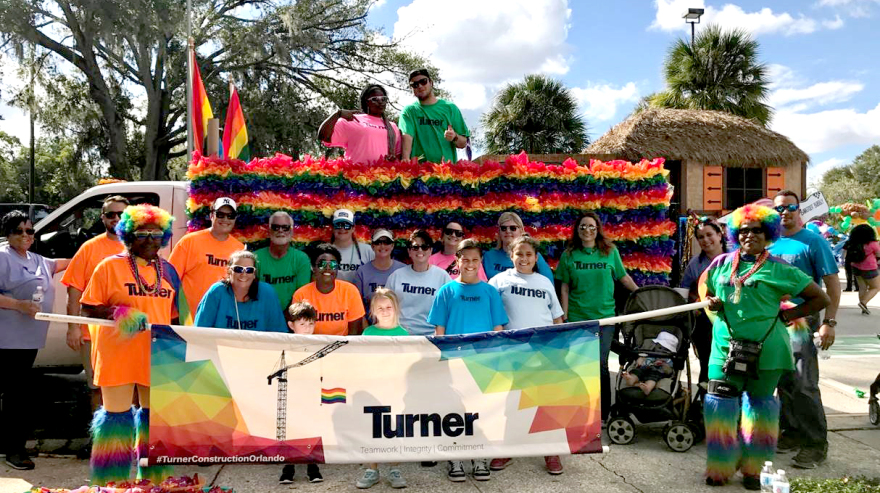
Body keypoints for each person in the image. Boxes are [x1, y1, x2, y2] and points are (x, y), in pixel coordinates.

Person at [700, 204, 829, 490]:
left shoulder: (780, 268)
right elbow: (706, 289)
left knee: (760, 410)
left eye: (757, 230)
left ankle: (753, 470)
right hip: (724, 349)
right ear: (735, 233)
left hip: (767, 351)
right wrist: (713, 306)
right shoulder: (721, 262)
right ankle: (720, 467)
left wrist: (789, 315)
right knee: (720, 409)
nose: (749, 235)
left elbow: (820, 298)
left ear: (768, 233)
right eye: (743, 230)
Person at [80, 204, 183, 486]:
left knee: (155, 420)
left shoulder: (169, 270)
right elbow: (86, 310)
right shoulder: (109, 266)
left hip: (156, 355)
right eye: (141, 233)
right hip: (117, 355)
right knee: (116, 418)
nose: (150, 239)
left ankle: (152, 480)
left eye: (155, 233)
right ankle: (110, 482)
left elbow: (174, 318)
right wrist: (119, 313)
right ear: (127, 235)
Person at [768, 191, 840, 469]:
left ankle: (815, 445)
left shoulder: (813, 241)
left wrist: (828, 322)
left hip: (803, 320)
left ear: (799, 209)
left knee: (804, 383)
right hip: (774, 322)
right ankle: (793, 432)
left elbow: (832, 284)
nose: (784, 212)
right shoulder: (770, 242)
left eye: (790, 207)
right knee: (784, 381)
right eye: (779, 208)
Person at [428, 239, 508, 483]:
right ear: (457, 261)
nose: (470, 264)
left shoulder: (490, 292)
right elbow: (439, 331)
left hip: (483, 363)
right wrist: (441, 363)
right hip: (454, 363)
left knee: (481, 411)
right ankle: (455, 458)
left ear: (480, 261)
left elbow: (497, 330)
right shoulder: (446, 291)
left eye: (475, 260)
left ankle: (480, 457)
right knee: (455, 411)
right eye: (466, 259)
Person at [487, 236, 564, 475]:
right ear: (511, 256)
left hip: (541, 351)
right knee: (511, 403)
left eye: (529, 254)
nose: (524, 259)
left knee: (545, 403)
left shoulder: (544, 282)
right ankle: (506, 450)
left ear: (536, 257)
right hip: (510, 351)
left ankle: (552, 452)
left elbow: (557, 318)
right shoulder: (498, 281)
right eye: (519, 254)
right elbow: (490, 314)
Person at [0, 210, 69, 470]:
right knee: (17, 395)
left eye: (30, 231)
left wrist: (95, 256)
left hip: (29, 339)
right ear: (8, 234)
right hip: (6, 339)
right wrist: (18, 304)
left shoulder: (38, 259)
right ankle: (15, 451)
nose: (26, 236)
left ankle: (7, 445)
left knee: (16, 393)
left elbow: (62, 263)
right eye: (19, 231)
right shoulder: (2, 257)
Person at [556, 211, 638, 423]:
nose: (587, 230)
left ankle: (602, 414)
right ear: (577, 230)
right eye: (583, 226)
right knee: (578, 365)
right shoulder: (569, 255)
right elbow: (564, 287)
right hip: (577, 318)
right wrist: (564, 316)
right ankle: (578, 410)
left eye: (591, 226)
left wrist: (641, 293)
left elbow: (623, 277)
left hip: (605, 319)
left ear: (597, 229)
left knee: (600, 364)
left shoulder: (610, 252)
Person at [61, 195, 129, 415]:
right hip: (94, 333)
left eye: (122, 214)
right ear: (102, 218)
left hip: (129, 333)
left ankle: (127, 444)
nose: (116, 218)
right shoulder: (89, 248)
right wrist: (72, 327)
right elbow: (74, 290)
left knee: (132, 389)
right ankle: (97, 444)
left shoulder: (140, 248)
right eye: (111, 214)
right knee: (97, 389)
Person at [356, 288, 408, 489]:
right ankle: (372, 469)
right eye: (380, 308)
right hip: (373, 390)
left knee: (394, 429)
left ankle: (394, 468)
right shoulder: (368, 333)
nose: (385, 311)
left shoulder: (404, 335)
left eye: (389, 307)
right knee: (372, 429)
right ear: (373, 311)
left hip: (396, 391)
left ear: (396, 308)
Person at [169, 197, 244, 315]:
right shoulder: (189, 242)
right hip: (188, 320)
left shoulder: (239, 249)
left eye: (230, 215)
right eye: (220, 214)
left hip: (223, 319)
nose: (225, 219)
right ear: (211, 215)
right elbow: (169, 279)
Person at [680, 217, 727, 385]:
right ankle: (704, 400)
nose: (706, 240)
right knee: (708, 362)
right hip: (704, 322)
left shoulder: (737, 258)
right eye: (701, 237)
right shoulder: (695, 264)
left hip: (735, 320)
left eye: (709, 234)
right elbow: (683, 291)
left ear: (720, 235)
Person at [194, 251, 287, 332]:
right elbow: (200, 330)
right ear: (229, 271)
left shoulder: (267, 293)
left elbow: (278, 333)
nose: (243, 274)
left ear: (254, 274)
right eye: (238, 269)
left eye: (249, 270)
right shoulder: (216, 291)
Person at [279, 301, 320, 485]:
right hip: (291, 394)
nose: (307, 328)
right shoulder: (284, 346)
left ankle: (313, 466)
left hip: (311, 394)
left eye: (311, 323)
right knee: (289, 430)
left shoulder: (320, 344)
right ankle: (289, 467)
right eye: (302, 324)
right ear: (291, 325)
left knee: (312, 429)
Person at [386, 230, 452, 336]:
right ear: (409, 251)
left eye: (424, 247)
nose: (420, 250)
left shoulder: (442, 277)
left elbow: (450, 310)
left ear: (430, 250)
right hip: (400, 335)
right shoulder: (396, 276)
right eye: (415, 247)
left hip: (431, 336)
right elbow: (386, 307)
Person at [292, 243, 365, 336]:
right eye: (322, 264)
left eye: (333, 264)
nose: (327, 268)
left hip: (342, 347)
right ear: (314, 268)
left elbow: (354, 333)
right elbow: (299, 332)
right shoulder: (301, 295)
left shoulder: (350, 291)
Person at [318, 84, 402, 164]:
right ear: (366, 102)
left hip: (385, 177)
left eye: (383, 99)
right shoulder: (352, 119)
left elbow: (398, 156)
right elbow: (323, 136)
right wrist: (337, 114)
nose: (380, 102)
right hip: (355, 176)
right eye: (375, 99)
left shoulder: (393, 127)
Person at [399, 68, 469, 163]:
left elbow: (463, 143)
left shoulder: (450, 108)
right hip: (419, 173)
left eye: (423, 81)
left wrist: (454, 137)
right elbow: (407, 135)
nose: (419, 86)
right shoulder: (409, 111)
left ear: (431, 83)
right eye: (414, 84)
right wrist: (405, 158)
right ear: (412, 89)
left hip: (447, 173)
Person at [253, 212, 311, 312]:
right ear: (269, 231)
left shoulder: (301, 259)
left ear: (291, 232)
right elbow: (251, 292)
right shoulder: (256, 258)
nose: (280, 231)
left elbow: (302, 294)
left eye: (285, 227)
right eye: (276, 227)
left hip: (291, 316)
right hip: (261, 313)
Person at [352, 229, 405, 323]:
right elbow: (357, 305)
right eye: (378, 242)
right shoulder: (362, 272)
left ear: (392, 245)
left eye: (386, 242)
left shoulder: (403, 270)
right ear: (372, 246)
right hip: (371, 326)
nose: (382, 246)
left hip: (398, 325)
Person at [483, 212, 553, 282]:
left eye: (513, 228)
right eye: (503, 228)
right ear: (499, 232)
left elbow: (548, 282)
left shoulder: (532, 256)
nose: (508, 231)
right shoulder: (488, 256)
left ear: (521, 231)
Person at [330, 208, 374, 283]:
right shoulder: (323, 251)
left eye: (346, 225)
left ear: (353, 228)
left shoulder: (367, 251)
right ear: (333, 228)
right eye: (338, 225)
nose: (342, 229)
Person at [846, 224, 880, 314]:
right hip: (870, 268)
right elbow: (878, 254)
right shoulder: (873, 244)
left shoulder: (853, 243)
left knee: (862, 287)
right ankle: (863, 302)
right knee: (876, 287)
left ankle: (863, 307)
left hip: (855, 267)